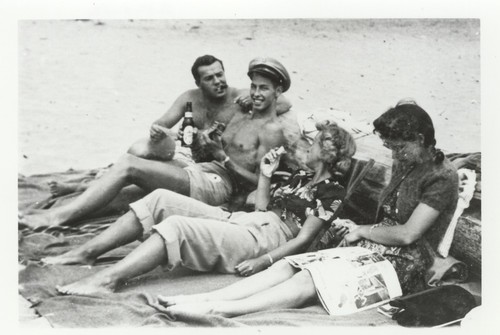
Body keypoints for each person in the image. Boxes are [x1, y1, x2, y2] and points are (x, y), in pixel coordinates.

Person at [157, 100, 459, 318]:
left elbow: (408, 234)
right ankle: (203, 297)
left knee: (309, 279)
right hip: (376, 244)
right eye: (391, 148)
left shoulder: (441, 177)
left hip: (406, 264)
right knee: (291, 264)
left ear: (420, 139)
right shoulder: (409, 158)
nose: (396, 154)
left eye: (400, 147)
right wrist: (357, 231)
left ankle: (220, 309)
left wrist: (362, 231)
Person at [48, 121, 356, 296]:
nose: (308, 144)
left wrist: (263, 261)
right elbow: (262, 206)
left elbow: (302, 241)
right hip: (248, 220)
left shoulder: (333, 193)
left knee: (178, 227)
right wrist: (266, 172)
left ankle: (108, 280)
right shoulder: (300, 176)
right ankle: (86, 254)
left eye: (314, 142)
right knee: (160, 200)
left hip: (267, 240)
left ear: (326, 152)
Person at [20, 56, 296, 228]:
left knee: (131, 166)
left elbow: (261, 181)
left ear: (277, 91)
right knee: (130, 189)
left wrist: (222, 158)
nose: (256, 93)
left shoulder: (271, 131)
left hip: (219, 185)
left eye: (264, 88)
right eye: (254, 87)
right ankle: (77, 202)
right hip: (204, 170)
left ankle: (59, 217)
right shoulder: (241, 109)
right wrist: (208, 144)